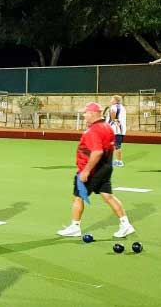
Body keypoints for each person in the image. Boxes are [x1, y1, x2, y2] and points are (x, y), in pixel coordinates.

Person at [57, 102, 136, 238]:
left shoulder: (93, 131)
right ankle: (126, 224)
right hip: (106, 167)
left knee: (78, 197)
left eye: (86, 113)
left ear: (93, 114)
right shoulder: (107, 127)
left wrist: (86, 171)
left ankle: (75, 226)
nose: (84, 115)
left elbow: (97, 152)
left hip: (93, 169)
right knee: (108, 196)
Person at [107, 95, 127, 167]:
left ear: (115, 100)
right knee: (117, 145)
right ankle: (117, 161)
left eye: (111, 99)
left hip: (115, 129)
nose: (110, 100)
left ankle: (118, 162)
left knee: (116, 146)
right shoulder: (122, 107)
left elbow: (113, 117)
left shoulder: (113, 107)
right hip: (121, 129)